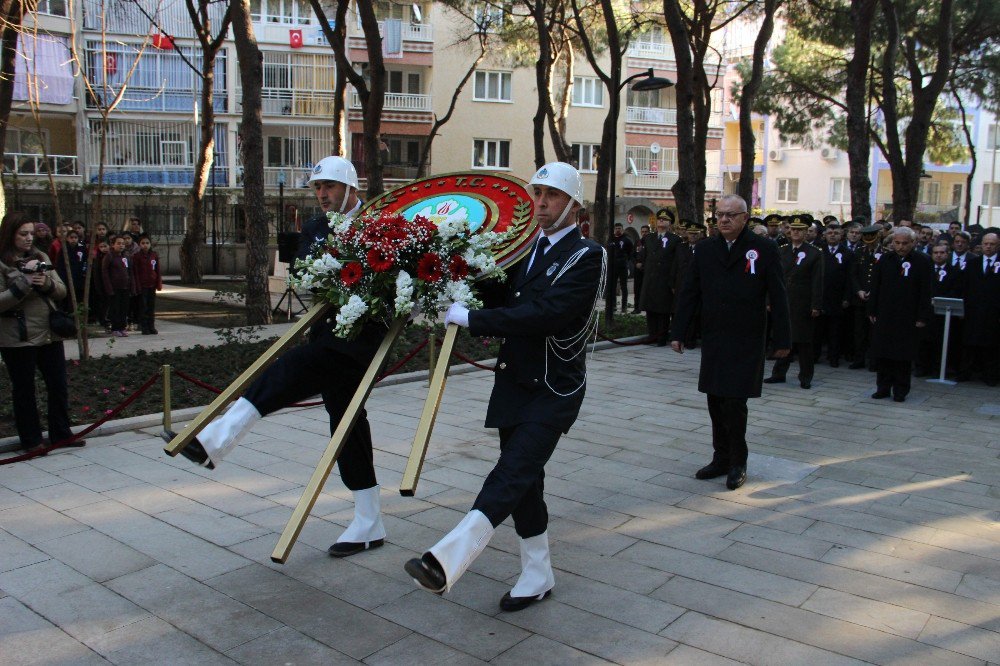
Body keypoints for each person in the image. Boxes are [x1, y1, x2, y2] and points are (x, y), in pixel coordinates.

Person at [162, 155, 392, 558]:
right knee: (347, 424)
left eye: (330, 187)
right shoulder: (317, 227)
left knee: (293, 368)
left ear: (351, 188)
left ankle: (218, 438)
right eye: (317, 188)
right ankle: (369, 520)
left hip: (364, 344)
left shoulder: (380, 224)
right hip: (329, 334)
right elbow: (303, 270)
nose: (322, 195)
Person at [404, 162, 605, 610]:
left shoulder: (587, 255)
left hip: (554, 387)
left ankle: (445, 560)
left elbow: (548, 314)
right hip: (515, 382)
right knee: (525, 484)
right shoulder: (525, 249)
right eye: (537, 194)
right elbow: (504, 294)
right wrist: (454, 288)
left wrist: (473, 318)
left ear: (573, 205)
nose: (541, 204)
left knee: (511, 473)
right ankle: (538, 573)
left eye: (551, 196)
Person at [670, 194, 790, 490]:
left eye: (730, 215)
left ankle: (738, 460)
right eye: (720, 215)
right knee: (714, 400)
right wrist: (679, 331)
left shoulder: (763, 248)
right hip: (715, 336)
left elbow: (778, 294)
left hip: (746, 338)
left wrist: (784, 338)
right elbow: (690, 291)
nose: (723, 220)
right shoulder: (706, 249)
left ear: (745, 218)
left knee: (735, 403)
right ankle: (720, 457)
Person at [0, 213, 85, 452]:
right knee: (25, 389)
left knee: (58, 385)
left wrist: (44, 282)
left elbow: (61, 290)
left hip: (49, 333)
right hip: (17, 337)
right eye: (23, 234)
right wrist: (23, 284)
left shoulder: (41, 256)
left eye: (30, 233)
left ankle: (61, 434)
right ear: (10, 234)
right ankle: (32, 440)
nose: (29, 238)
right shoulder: (2, 262)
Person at [868, 227, 933, 401]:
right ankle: (882, 388)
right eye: (897, 243)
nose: (901, 247)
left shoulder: (922, 261)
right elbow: (876, 286)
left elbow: (926, 291)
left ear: (913, 243)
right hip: (886, 314)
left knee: (902, 356)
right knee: (883, 354)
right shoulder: (885, 260)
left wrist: (922, 316)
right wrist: (872, 310)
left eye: (905, 243)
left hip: (908, 315)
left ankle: (900, 390)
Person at [764, 216, 823, 389]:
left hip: (803, 302)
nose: (796, 232)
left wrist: (816, 305)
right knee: (783, 337)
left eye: (800, 230)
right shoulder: (781, 250)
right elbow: (772, 278)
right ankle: (779, 373)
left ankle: (805, 376)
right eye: (793, 229)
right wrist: (769, 299)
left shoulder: (814, 253)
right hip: (784, 301)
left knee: (804, 342)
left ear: (806, 232)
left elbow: (817, 281)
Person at [957, 232, 1000, 385]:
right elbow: (966, 286)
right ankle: (965, 372)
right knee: (969, 343)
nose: (988, 247)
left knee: (992, 346)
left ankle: (990, 375)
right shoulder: (973, 263)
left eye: (992, 244)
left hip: (993, 312)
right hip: (973, 310)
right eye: (986, 243)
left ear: (998, 245)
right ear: (981, 244)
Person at [916, 243, 964, 377]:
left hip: (945, 313)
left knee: (941, 342)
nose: (938, 255)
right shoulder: (925, 269)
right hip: (927, 312)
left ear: (947, 254)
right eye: (936, 252)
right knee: (923, 341)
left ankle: (939, 368)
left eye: (942, 252)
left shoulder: (955, 271)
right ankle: (922, 367)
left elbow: (957, 290)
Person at [638, 212, 682, 346]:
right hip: (650, 278)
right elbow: (643, 255)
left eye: (665, 220)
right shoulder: (649, 238)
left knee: (663, 310)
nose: (661, 221)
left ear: (670, 223)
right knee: (650, 308)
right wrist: (640, 262)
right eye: (660, 219)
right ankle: (652, 335)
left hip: (664, 279)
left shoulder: (675, 239)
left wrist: (672, 280)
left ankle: (662, 337)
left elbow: (676, 261)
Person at [815, 223, 853, 367]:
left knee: (835, 330)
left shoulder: (847, 253)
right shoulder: (818, 251)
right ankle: (815, 355)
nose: (832, 235)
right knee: (817, 330)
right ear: (824, 235)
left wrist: (847, 297)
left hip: (838, 297)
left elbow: (850, 277)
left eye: (836, 233)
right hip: (821, 295)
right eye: (830, 233)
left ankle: (834, 357)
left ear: (841, 235)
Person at [848, 224, 884, 369]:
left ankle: (874, 361)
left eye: (872, 239)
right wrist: (859, 290)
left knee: (875, 332)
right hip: (860, 298)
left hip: (876, 299)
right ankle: (859, 359)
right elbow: (853, 274)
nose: (870, 242)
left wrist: (873, 291)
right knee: (859, 332)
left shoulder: (885, 253)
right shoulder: (859, 252)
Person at [131, 234, 162, 335]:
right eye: (143, 243)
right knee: (143, 307)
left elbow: (157, 270)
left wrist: (158, 283)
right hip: (142, 285)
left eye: (147, 243)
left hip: (152, 285)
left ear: (150, 244)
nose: (145, 245)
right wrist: (137, 286)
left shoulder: (154, 255)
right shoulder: (137, 257)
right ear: (139, 245)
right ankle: (144, 327)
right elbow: (135, 272)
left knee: (151, 307)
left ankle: (151, 326)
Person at [55, 228, 87, 312]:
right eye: (71, 237)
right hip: (67, 278)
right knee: (68, 298)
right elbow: (59, 265)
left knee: (79, 297)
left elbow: (85, 261)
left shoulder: (82, 249)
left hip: (79, 277)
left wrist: (84, 272)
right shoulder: (64, 250)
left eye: (75, 237)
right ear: (67, 238)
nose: (73, 239)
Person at [607, 222, 632, 312]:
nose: (618, 230)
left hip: (622, 266)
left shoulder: (626, 240)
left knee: (623, 286)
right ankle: (613, 305)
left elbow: (630, 252)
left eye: (619, 228)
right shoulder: (611, 239)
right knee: (612, 286)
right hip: (613, 267)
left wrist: (625, 261)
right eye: (616, 228)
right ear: (614, 229)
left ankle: (624, 306)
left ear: (622, 229)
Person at [632, 224, 649, 313]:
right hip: (637, 270)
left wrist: (643, 264)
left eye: (646, 232)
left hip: (647, 270)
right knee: (637, 289)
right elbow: (632, 255)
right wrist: (636, 263)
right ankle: (637, 307)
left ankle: (646, 306)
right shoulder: (637, 242)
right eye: (642, 232)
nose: (644, 233)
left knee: (647, 289)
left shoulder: (651, 243)